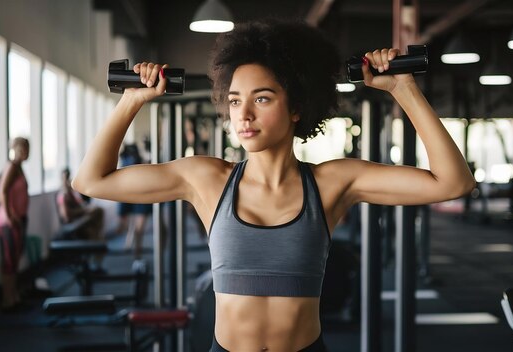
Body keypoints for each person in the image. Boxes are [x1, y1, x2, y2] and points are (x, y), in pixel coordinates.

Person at [73, 19, 475, 352]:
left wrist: (405, 90)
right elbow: (90, 180)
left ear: (297, 106)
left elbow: (453, 182)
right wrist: (131, 101)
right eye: (234, 101)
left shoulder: (332, 182)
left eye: (262, 99)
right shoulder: (206, 179)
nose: (243, 114)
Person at [0, 137, 30, 312]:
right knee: (9, 261)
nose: (26, 152)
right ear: (15, 149)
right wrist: (10, 216)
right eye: (23, 148)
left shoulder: (19, 168)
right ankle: (7, 300)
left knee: (15, 260)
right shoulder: (11, 167)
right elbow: (2, 191)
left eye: (27, 148)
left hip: (19, 220)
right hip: (8, 222)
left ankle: (14, 296)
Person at [116, 143, 152, 258]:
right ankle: (136, 253)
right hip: (132, 196)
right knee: (135, 228)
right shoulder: (126, 161)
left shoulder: (138, 162)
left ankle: (137, 254)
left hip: (140, 197)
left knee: (138, 229)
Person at [56, 167, 105, 243]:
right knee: (97, 213)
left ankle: (98, 239)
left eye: (69, 178)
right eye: (66, 179)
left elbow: (79, 204)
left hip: (80, 217)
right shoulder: (63, 195)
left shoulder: (71, 193)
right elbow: (66, 216)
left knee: (98, 211)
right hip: (74, 221)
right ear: (62, 180)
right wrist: (83, 211)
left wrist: (84, 209)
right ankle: (97, 241)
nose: (68, 181)